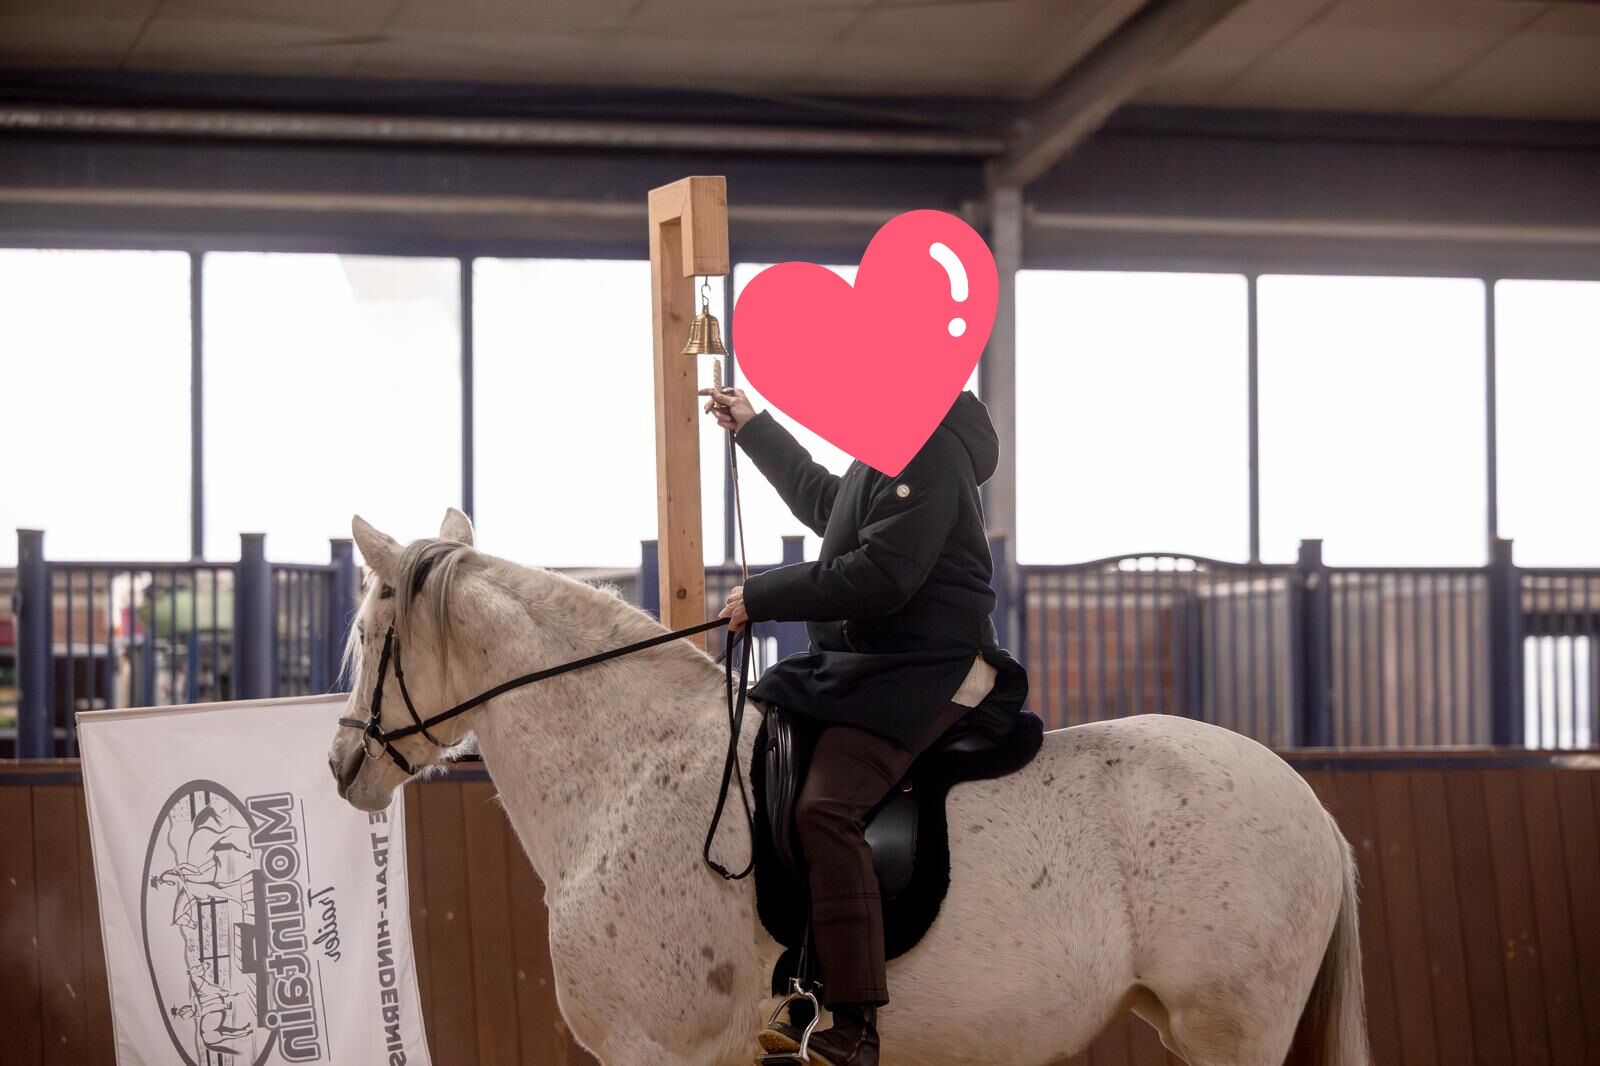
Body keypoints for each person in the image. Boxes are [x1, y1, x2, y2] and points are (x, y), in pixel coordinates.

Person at [702, 384, 1029, 1066]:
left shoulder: (931, 448)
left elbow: (884, 575)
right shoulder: (887, 443)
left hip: (929, 665)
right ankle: (801, 975)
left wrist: (765, 594)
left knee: (826, 808)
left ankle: (853, 1026)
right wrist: (755, 428)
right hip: (875, 662)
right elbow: (832, 506)